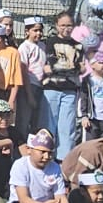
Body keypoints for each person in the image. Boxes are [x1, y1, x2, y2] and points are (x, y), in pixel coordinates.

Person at [42, 12, 83, 158]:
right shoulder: (50, 42)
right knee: (49, 124)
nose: (66, 28)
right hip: (51, 88)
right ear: (56, 26)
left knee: (67, 127)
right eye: (63, 25)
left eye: (69, 25)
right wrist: (72, 67)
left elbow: (80, 67)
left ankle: (64, 158)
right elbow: (51, 64)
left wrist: (60, 68)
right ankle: (46, 153)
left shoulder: (78, 45)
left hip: (70, 90)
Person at [79, 51, 103, 141]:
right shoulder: (88, 81)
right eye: (101, 63)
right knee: (90, 144)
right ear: (92, 65)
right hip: (92, 120)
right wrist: (84, 116)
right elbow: (83, 99)